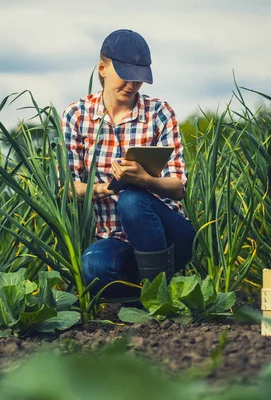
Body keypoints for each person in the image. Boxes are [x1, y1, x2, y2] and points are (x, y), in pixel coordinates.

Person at [61, 29, 196, 297]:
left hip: (169, 236)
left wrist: (143, 180)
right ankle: (142, 296)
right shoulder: (76, 116)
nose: (131, 86)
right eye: (124, 76)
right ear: (102, 68)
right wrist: (107, 188)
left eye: (138, 80)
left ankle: (158, 296)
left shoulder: (159, 112)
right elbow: (68, 187)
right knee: (94, 265)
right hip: (114, 239)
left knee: (132, 199)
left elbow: (178, 186)